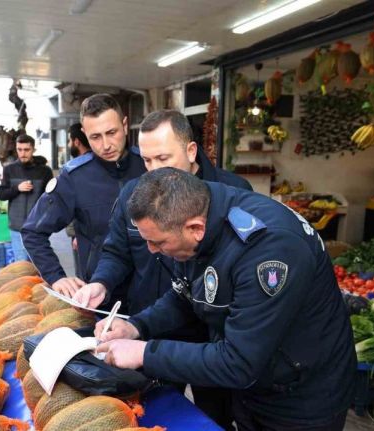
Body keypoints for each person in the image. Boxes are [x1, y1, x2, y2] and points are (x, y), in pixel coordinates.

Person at [94, 168, 356, 431]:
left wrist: (144, 353)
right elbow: (185, 295)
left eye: (158, 243)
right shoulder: (199, 215)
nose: (152, 250)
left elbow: (239, 362)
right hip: (256, 385)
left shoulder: (268, 250)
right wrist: (137, 326)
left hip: (301, 399)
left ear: (195, 228)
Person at [72, 109, 250, 429]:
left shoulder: (231, 193)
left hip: (208, 339)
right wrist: (100, 283)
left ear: (191, 151)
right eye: (147, 160)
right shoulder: (135, 195)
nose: (153, 171)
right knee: (150, 413)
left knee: (211, 417)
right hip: (149, 326)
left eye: (163, 158)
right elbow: (116, 251)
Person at [21, 93, 146, 310]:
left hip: (155, 296)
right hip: (102, 299)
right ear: (85, 134)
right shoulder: (74, 177)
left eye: (112, 132)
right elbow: (33, 231)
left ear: (125, 125)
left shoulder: (148, 165)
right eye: (95, 137)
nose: (106, 145)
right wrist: (56, 276)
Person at [0, 134, 54, 262]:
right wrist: (17, 188)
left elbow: (52, 198)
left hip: (38, 227)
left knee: (39, 265)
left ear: (33, 149)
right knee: (22, 265)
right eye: (19, 149)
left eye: (26, 150)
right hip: (17, 227)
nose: (23, 153)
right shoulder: (9, 169)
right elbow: (1, 194)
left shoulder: (44, 171)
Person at [64, 123, 92, 276]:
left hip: (84, 234)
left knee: (83, 276)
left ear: (76, 142)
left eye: (69, 140)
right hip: (84, 233)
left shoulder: (74, 169)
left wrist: (77, 234)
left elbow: (79, 204)